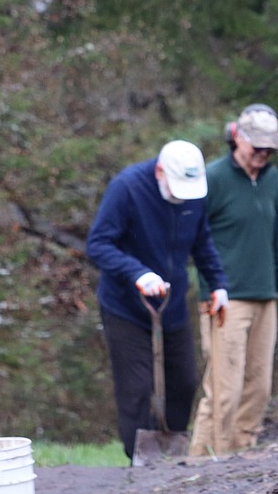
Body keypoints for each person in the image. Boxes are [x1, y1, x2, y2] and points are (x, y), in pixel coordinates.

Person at [87, 139, 229, 462]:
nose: (181, 197)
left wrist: (219, 283)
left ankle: (171, 455)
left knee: (185, 381)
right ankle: (141, 461)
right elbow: (98, 245)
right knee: (137, 389)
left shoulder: (193, 195)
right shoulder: (127, 188)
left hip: (172, 304)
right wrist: (137, 273)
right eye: (176, 188)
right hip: (126, 305)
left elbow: (202, 242)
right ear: (160, 172)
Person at [189, 104, 278, 457]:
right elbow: (193, 238)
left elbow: (274, 239)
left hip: (264, 295)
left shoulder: (270, 179)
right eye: (257, 148)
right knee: (225, 387)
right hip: (226, 299)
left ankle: (243, 457)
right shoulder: (214, 178)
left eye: (270, 150)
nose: (263, 155)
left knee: (258, 387)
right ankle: (207, 463)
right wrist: (208, 292)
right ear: (237, 138)